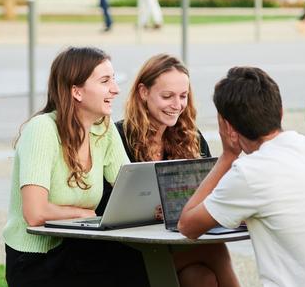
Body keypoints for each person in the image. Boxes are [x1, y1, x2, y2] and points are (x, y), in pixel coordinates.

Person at [178, 66, 305, 286]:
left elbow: (187, 226)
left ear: (228, 128)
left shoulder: (251, 172)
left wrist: (227, 155)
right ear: (280, 111)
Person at [3, 47, 149, 286]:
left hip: (78, 246)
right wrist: (84, 214)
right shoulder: (42, 129)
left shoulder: (104, 128)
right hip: (36, 259)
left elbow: (133, 189)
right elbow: (35, 213)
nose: (116, 89)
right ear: (77, 92)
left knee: (140, 265)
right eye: (105, 81)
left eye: (113, 79)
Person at [96, 54, 239, 287]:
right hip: (125, 249)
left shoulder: (189, 137)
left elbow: (209, 192)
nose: (177, 105)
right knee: (215, 250)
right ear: (143, 92)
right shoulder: (116, 137)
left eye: (183, 96)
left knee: (201, 278)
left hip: (174, 243)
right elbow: (102, 205)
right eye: (167, 96)